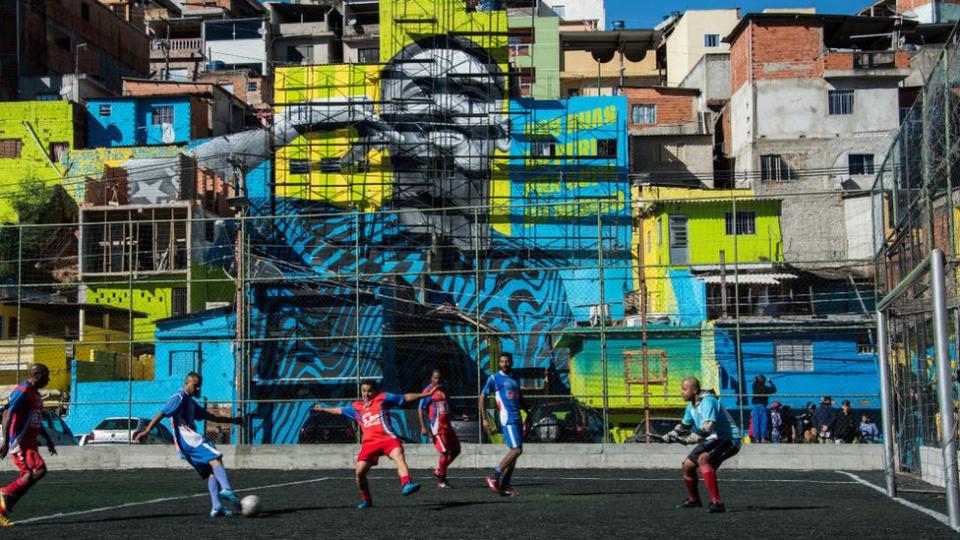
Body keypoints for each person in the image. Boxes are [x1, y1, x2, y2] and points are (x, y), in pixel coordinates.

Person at [133, 372, 244, 517]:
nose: (198, 389)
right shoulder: (179, 397)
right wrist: (146, 431)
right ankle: (227, 489)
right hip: (188, 439)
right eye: (196, 386)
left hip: (185, 445)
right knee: (215, 458)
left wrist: (232, 421)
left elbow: (211, 417)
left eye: (200, 387)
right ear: (187, 383)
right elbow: (162, 413)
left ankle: (217, 507)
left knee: (212, 472)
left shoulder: (191, 402)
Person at [313, 379, 435, 509]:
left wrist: (425, 395)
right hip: (369, 444)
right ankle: (366, 499)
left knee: (399, 456)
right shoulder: (356, 407)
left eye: (370, 390)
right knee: (359, 473)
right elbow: (339, 410)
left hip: (388, 439)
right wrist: (323, 409)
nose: (366, 393)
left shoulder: (383, 398)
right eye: (364, 391)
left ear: (375, 391)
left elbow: (404, 397)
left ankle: (406, 484)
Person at [663, 377, 741, 513]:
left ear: (694, 390)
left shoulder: (708, 401)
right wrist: (671, 434)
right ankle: (694, 500)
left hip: (728, 439)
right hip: (711, 440)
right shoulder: (691, 406)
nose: (681, 392)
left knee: (703, 458)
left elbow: (708, 426)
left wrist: (691, 438)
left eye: (684, 389)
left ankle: (717, 503)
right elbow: (684, 425)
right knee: (687, 465)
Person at [0, 364, 57, 527]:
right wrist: (5, 441)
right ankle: (4, 496)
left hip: (30, 443)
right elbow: (7, 413)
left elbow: (36, 420)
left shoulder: (35, 394)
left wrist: (48, 439)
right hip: (19, 442)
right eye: (46, 376)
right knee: (32, 473)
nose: (48, 379)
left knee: (36, 473)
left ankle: (6, 502)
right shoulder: (22, 390)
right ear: (37, 374)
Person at [480, 352, 529, 497]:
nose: (505, 364)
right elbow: (482, 397)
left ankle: (505, 485)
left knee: (514, 454)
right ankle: (493, 477)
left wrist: (528, 413)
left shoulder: (515, 378)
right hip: (508, 419)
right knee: (516, 451)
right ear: (499, 363)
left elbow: (520, 398)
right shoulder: (495, 378)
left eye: (507, 361)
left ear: (511, 362)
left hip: (517, 418)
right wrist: (484, 418)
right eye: (502, 361)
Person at [418, 369, 461, 489]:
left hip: (447, 426)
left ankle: (439, 470)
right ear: (431, 379)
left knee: (456, 450)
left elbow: (448, 406)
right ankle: (442, 481)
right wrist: (423, 427)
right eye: (436, 378)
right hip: (437, 428)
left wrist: (459, 413)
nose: (438, 380)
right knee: (444, 452)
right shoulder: (428, 391)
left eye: (440, 378)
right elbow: (421, 409)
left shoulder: (444, 389)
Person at [750, 374, 776, 443]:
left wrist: (756, 379)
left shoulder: (755, 386)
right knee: (763, 422)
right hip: (762, 405)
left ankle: (757, 438)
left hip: (755, 405)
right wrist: (770, 381)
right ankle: (763, 438)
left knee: (756, 422)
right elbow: (774, 389)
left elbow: (755, 380)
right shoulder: (766, 388)